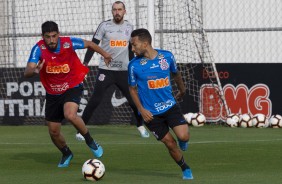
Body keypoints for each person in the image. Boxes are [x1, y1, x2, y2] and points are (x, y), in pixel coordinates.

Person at [24, 21, 112, 168]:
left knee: (70, 115)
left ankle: (90, 140)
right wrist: (35, 70)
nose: (51, 40)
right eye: (48, 37)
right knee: (53, 131)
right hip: (52, 92)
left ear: (58, 34)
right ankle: (66, 153)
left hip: (72, 84)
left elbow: (90, 44)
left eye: (54, 36)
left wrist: (105, 54)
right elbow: (27, 71)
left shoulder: (68, 43)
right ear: (42, 36)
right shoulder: (38, 48)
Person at [75, 1, 149, 141]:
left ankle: (140, 126)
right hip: (106, 70)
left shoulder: (129, 27)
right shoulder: (104, 26)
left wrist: (134, 66)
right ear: (112, 11)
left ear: (124, 11)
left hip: (124, 71)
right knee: (95, 100)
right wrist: (85, 64)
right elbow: (92, 45)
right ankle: (81, 129)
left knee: (134, 101)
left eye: (119, 9)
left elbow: (131, 50)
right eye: (114, 10)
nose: (117, 12)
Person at [128, 28, 193, 180]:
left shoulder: (167, 56)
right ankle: (185, 168)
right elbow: (132, 90)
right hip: (150, 114)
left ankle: (183, 141)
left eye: (134, 45)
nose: (132, 48)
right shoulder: (134, 65)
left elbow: (176, 74)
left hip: (170, 106)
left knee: (183, 136)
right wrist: (141, 110)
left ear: (145, 44)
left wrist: (182, 90)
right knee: (170, 143)